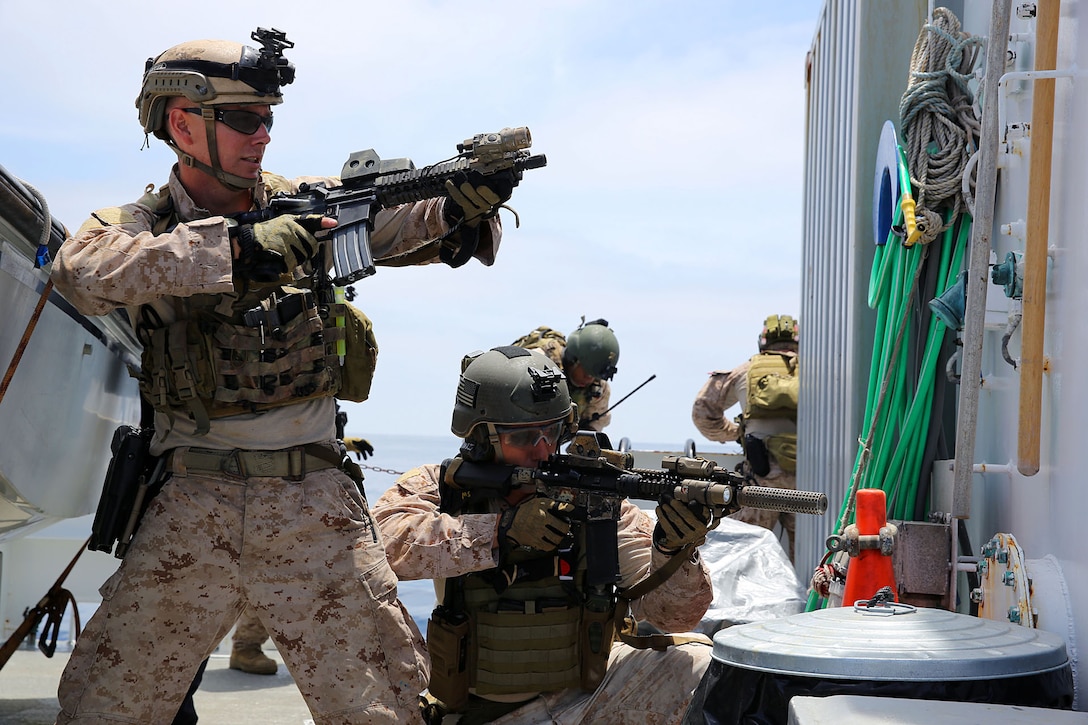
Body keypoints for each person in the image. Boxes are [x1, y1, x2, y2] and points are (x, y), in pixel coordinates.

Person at [50, 28, 515, 723]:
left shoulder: (307, 202)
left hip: (313, 504)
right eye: (244, 118)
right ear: (183, 123)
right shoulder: (137, 224)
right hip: (190, 503)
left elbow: (399, 222)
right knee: (107, 708)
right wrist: (235, 251)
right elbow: (80, 272)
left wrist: (458, 204)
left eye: (268, 118)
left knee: (384, 709)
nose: (262, 134)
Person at [372, 346, 714, 724]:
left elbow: (678, 617)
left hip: (586, 696)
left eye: (550, 433)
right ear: (481, 437)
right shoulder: (446, 486)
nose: (542, 450)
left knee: (701, 665)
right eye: (522, 438)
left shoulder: (592, 498)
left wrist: (673, 548)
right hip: (486, 714)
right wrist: (499, 531)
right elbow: (381, 543)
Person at [691, 314, 799, 562]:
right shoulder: (818, 372)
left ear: (763, 342)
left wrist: (735, 433)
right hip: (811, 478)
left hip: (763, 476)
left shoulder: (747, 370)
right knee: (814, 557)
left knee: (742, 552)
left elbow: (702, 413)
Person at [512, 317, 619, 431]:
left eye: (594, 375)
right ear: (573, 359)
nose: (589, 379)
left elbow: (597, 423)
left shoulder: (598, 388)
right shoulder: (538, 365)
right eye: (586, 372)